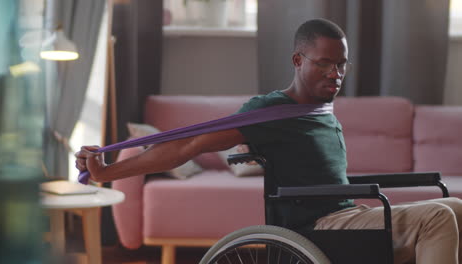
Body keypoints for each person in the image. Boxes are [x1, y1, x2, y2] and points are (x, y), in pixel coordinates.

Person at [75, 19, 462, 264]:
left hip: (348, 214)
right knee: (438, 218)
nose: (336, 73)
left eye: (341, 64)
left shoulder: (321, 109)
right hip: (320, 227)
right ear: (298, 60)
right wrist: (109, 171)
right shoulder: (272, 111)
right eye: (324, 63)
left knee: (456, 205)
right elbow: (187, 145)